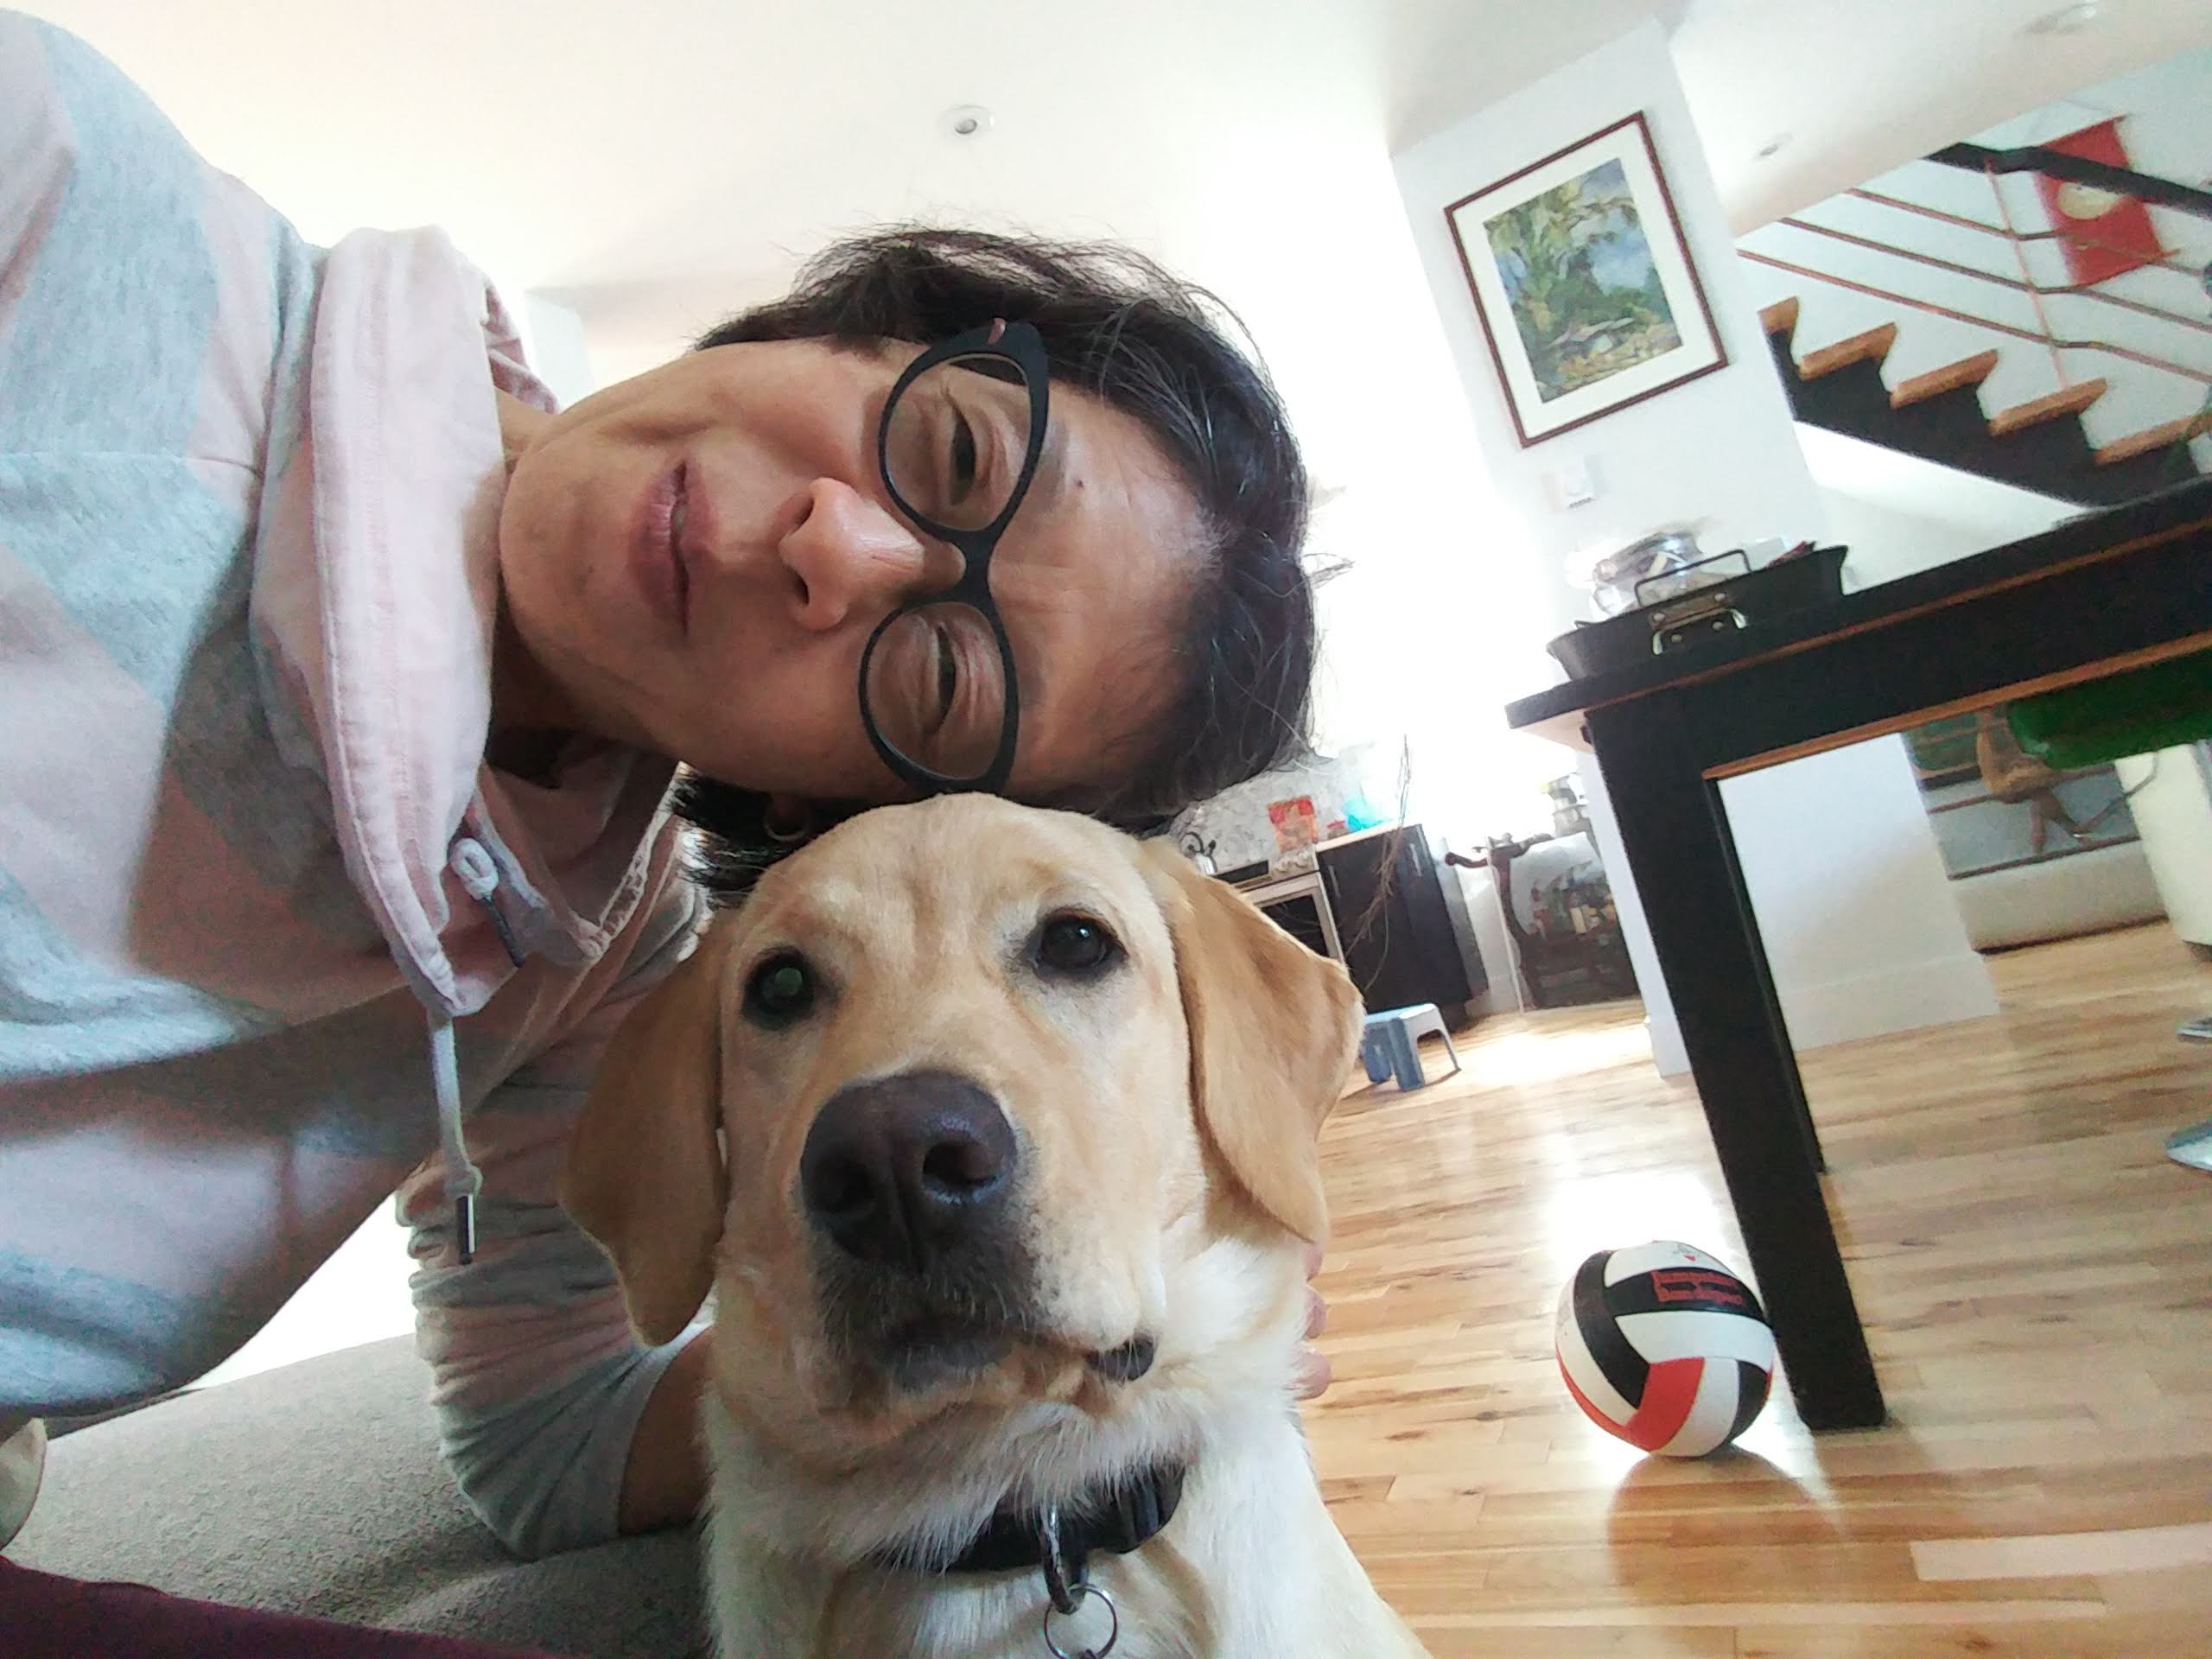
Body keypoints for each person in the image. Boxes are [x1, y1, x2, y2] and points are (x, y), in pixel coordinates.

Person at [0, 3, 1329, 1617]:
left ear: (845, 798)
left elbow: (549, 1431)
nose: (838, 546)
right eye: (955, 450)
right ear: (849, 323)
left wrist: (1047, 1296)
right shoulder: (55, 186)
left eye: (932, 685)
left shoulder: (597, 975)